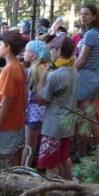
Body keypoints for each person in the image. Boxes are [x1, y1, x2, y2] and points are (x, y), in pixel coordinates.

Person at [36, 34, 79, 180]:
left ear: (58, 51)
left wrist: (43, 77)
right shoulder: (74, 70)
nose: (50, 52)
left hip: (53, 127)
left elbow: (41, 100)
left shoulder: (54, 76)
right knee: (64, 157)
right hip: (67, 125)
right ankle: (70, 186)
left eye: (52, 49)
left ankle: (52, 189)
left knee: (51, 162)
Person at [0, 30, 27, 167]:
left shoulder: (10, 70)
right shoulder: (18, 66)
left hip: (6, 124)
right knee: (13, 158)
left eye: (1, 44)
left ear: (8, 48)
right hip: (17, 121)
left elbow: (6, 100)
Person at [73, 4, 99, 162]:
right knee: (90, 116)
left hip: (85, 77)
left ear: (94, 16)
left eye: (87, 14)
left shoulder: (91, 34)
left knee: (84, 119)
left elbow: (81, 59)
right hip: (93, 75)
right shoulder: (96, 33)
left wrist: (69, 73)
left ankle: (82, 151)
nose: (83, 16)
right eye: (81, 14)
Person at [21, 40, 48, 167]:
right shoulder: (48, 71)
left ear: (33, 56)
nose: (24, 53)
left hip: (32, 113)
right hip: (46, 111)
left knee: (29, 146)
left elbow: (25, 96)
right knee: (45, 144)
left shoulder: (27, 73)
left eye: (26, 51)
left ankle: (24, 169)